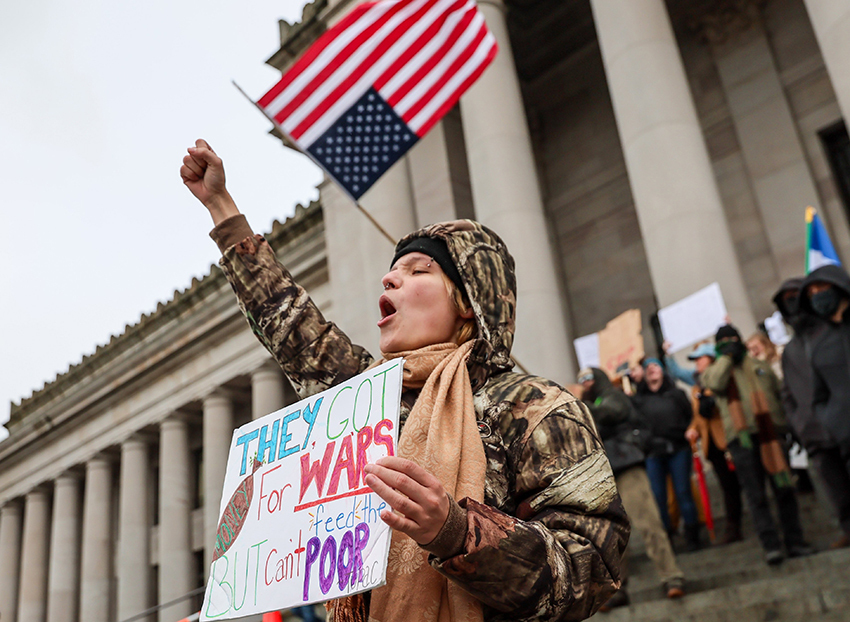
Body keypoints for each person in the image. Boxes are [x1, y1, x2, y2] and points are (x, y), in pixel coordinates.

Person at [181, 139, 629, 621]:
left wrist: (458, 533)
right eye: (391, 272)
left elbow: (592, 569)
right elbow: (290, 325)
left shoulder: (537, 406)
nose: (389, 281)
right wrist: (222, 208)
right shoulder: (366, 397)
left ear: (469, 301)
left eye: (418, 270)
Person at [701, 324, 812, 565]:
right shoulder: (715, 370)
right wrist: (726, 358)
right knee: (756, 496)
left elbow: (777, 395)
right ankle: (771, 545)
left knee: (784, 491)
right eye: (725, 341)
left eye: (734, 338)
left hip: (771, 436)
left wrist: (786, 427)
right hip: (741, 441)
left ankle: (795, 542)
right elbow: (716, 383)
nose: (730, 342)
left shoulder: (758, 366)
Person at [579, 368, 685, 607]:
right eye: (581, 380)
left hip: (627, 467)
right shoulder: (590, 403)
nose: (585, 383)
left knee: (649, 523)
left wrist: (580, 406)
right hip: (605, 474)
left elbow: (613, 411)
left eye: (588, 378)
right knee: (612, 537)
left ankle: (672, 577)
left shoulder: (612, 396)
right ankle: (617, 590)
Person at [797, 267, 850, 547]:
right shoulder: (818, 346)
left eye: (822, 289)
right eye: (812, 293)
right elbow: (819, 397)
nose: (818, 296)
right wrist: (835, 421)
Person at [632, 359, 702, 551]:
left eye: (656, 366)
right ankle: (667, 538)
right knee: (658, 496)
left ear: (663, 371)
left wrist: (691, 430)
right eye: (648, 367)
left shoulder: (677, 394)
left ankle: (693, 534)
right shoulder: (639, 400)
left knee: (683, 492)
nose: (652, 369)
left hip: (678, 449)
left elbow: (691, 417)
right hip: (654, 453)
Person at [682, 343, 743, 544]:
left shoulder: (720, 380)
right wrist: (693, 429)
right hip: (712, 443)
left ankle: (736, 523)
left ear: (711, 358)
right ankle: (733, 525)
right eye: (696, 359)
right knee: (727, 485)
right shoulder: (696, 388)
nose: (697, 363)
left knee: (739, 482)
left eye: (701, 358)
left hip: (728, 437)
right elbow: (699, 417)